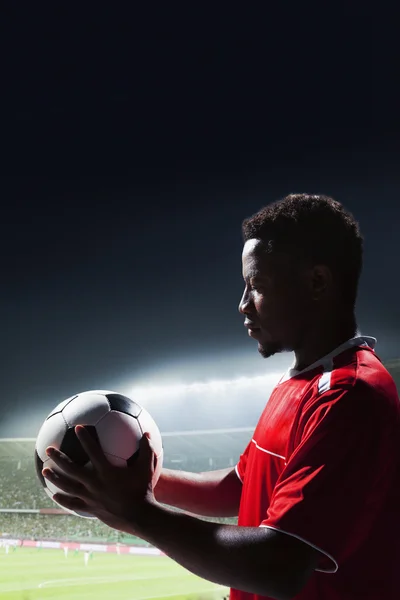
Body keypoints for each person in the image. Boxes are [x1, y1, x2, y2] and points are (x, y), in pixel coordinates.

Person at [42, 194, 400, 599]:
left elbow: (280, 566)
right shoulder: (298, 382)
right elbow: (234, 488)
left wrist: (138, 513)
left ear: (317, 282)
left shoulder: (350, 396)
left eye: (257, 286)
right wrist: (131, 480)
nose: (243, 304)